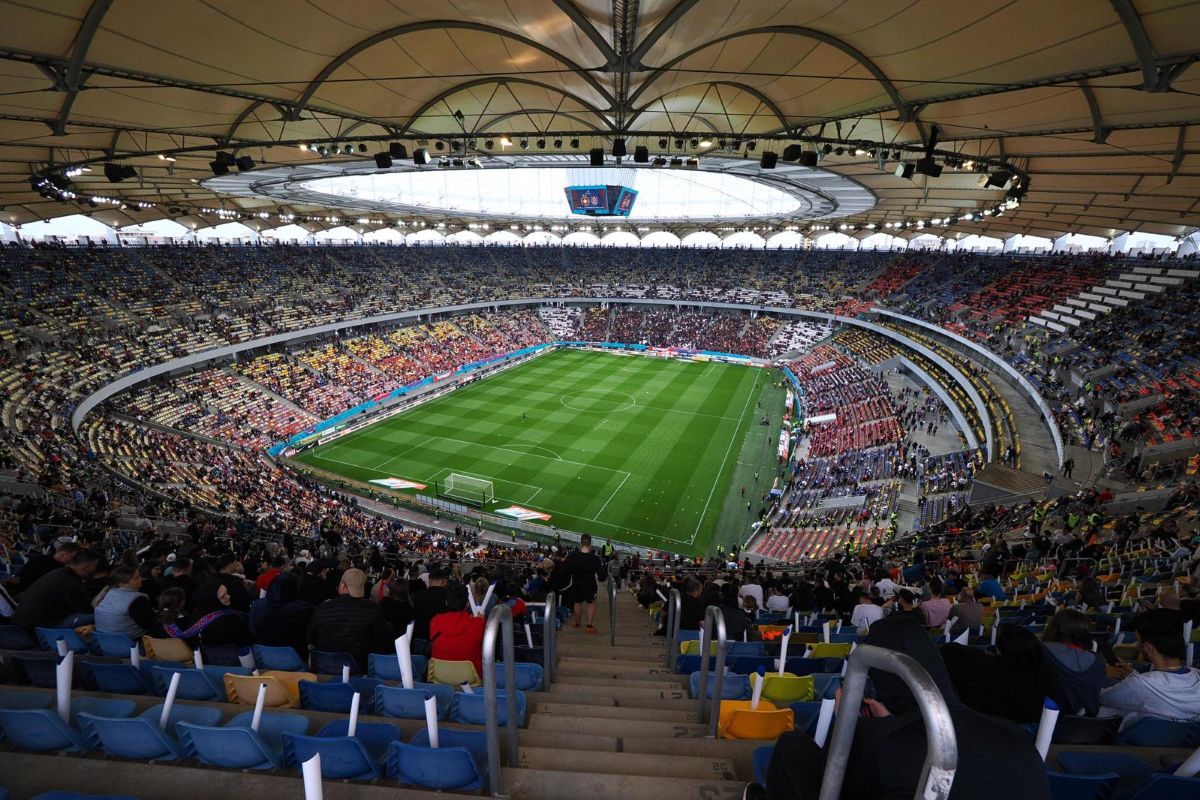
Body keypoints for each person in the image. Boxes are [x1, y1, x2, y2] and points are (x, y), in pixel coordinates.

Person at [756, 615, 1051, 799]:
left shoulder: (880, 743)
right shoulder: (1012, 734)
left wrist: (848, 724)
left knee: (793, 745)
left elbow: (828, 785)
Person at [1099, 609, 1200, 730]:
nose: (1136, 644)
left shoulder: (1138, 685)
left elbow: (1105, 698)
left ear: (1148, 647)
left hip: (1141, 739)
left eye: (1138, 640)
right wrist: (1133, 675)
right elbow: (1153, 686)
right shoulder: (1196, 675)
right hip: (1181, 736)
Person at [942, 625, 1061, 724]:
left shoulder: (983, 669)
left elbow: (949, 649)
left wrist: (982, 654)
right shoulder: (1046, 676)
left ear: (1001, 651)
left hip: (982, 728)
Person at [307, 568, 394, 670]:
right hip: (361, 667)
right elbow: (381, 640)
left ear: (343, 585)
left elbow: (310, 638)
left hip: (324, 666)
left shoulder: (322, 608)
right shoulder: (373, 609)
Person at [1041, 609, 1109, 716]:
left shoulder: (1039, 651)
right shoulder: (1098, 662)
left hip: (1038, 723)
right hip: (1084, 727)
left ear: (1052, 629)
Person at [14, 549, 100, 630]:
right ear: (84, 566)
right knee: (95, 615)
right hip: (38, 628)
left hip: (24, 622)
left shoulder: (58, 573)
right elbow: (86, 609)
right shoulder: (71, 583)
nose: (94, 569)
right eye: (94, 566)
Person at [248, 571, 312, 656]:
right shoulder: (303, 609)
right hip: (295, 656)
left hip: (264, 655)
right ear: (295, 588)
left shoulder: (257, 606)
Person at [430, 583, 487, 677]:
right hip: (471, 678)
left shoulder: (435, 621)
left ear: (446, 602)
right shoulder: (478, 624)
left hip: (440, 676)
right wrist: (479, 621)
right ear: (467, 603)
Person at [94, 564, 159, 638]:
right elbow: (150, 624)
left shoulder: (107, 594)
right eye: (136, 578)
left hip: (105, 642)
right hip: (133, 643)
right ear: (121, 584)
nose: (141, 579)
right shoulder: (137, 599)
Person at [564, 534, 605, 633]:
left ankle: (577, 623)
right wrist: (600, 578)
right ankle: (589, 625)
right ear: (590, 544)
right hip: (590, 585)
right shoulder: (594, 558)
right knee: (591, 603)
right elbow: (602, 575)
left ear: (581, 543)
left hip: (577, 584)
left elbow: (566, 570)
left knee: (577, 603)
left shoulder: (573, 556)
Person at [12, 541, 79, 594]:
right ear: (65, 555)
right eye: (72, 558)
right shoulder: (60, 570)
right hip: (27, 595)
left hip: (19, 589)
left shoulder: (40, 558)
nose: (71, 560)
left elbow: (19, 575)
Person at [413, 566, 449, 640]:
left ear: (429, 580)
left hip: (420, 637)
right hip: (440, 638)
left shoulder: (418, 595)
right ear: (443, 581)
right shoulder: (448, 596)